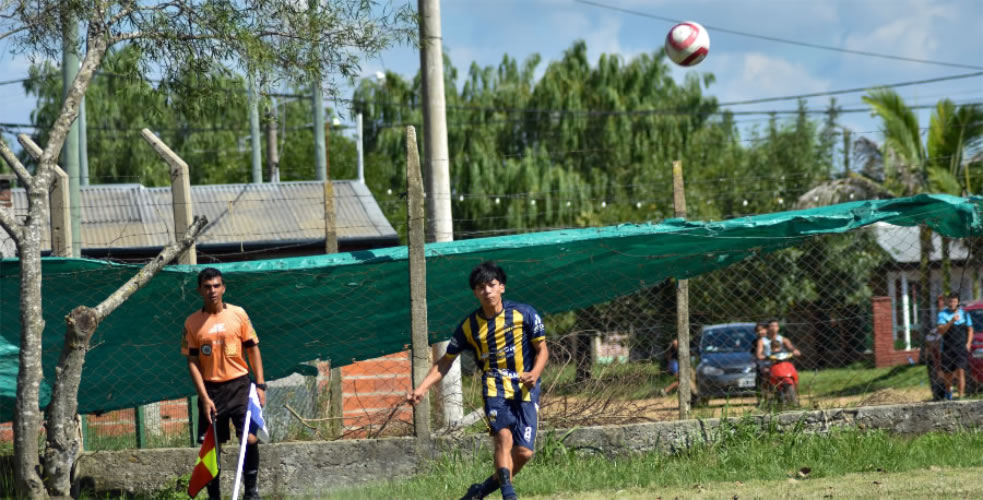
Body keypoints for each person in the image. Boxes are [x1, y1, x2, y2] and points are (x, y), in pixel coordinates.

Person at [407, 261, 549, 500]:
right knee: (503, 437)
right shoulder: (469, 326)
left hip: (525, 388)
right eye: (481, 287)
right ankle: (509, 495)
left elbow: (542, 349)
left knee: (524, 452)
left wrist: (534, 373)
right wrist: (422, 388)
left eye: (491, 285)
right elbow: (445, 361)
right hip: (494, 387)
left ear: (502, 287)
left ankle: (480, 491)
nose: (487, 291)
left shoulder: (524, 313)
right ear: (475, 292)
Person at [181, 267, 267, 500]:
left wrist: (260, 385)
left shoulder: (238, 314)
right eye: (207, 287)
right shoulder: (193, 322)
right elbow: (192, 362)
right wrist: (204, 398)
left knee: (250, 438)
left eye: (216, 286)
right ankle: (214, 496)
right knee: (212, 446)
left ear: (224, 288)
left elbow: (253, 349)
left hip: (240, 386)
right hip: (211, 391)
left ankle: (251, 492)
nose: (212, 291)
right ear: (200, 290)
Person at [937, 293, 973, 400]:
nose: (952, 303)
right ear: (947, 302)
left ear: (958, 303)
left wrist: (968, 343)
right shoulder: (942, 315)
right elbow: (941, 331)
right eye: (950, 301)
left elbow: (970, 329)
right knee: (948, 374)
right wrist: (951, 321)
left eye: (954, 301)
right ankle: (949, 392)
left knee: (960, 371)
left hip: (961, 347)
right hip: (947, 348)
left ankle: (961, 396)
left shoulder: (964, 314)